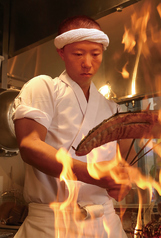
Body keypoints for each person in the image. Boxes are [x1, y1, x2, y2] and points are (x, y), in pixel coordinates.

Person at [12, 15, 133, 238]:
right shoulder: (44, 88)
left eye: (95, 54)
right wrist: (94, 175)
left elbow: (125, 164)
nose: (87, 62)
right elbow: (29, 145)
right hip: (51, 224)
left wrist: (123, 181)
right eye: (78, 54)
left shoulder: (114, 111)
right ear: (62, 52)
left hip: (106, 225)